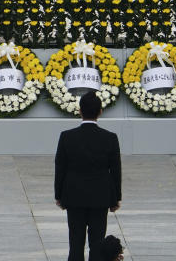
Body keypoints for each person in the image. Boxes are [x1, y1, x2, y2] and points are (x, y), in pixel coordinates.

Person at [54, 90, 122, 261]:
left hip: (74, 196)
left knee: (75, 243)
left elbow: (60, 168)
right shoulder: (110, 138)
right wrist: (116, 199)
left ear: (80, 111)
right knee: (97, 243)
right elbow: (115, 170)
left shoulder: (67, 137)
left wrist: (59, 196)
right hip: (100, 198)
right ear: (100, 111)